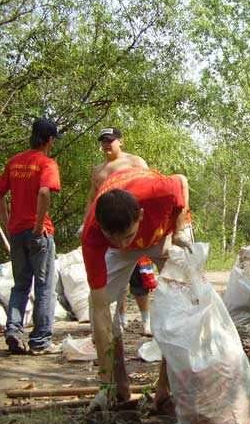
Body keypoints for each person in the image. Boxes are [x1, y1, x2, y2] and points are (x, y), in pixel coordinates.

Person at [81, 167, 192, 409]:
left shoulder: (160, 192)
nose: (122, 244)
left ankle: (166, 388)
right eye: (114, 238)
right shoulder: (93, 234)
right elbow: (101, 310)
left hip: (165, 233)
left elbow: (181, 180)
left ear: (140, 215)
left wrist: (180, 230)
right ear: (101, 228)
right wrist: (103, 385)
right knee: (98, 308)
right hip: (130, 233)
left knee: (184, 304)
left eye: (127, 236)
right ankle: (116, 388)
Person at [0, 118, 62, 355]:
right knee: (44, 287)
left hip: (16, 232)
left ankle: (13, 330)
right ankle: (41, 341)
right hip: (39, 233)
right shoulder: (47, 163)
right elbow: (44, 192)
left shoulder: (14, 162)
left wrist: (7, 221)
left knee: (21, 284)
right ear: (49, 139)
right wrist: (39, 223)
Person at [80, 127, 154, 335]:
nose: (106, 145)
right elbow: (92, 199)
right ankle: (118, 321)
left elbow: (148, 188)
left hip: (133, 228)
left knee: (140, 278)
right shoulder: (98, 171)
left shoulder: (135, 162)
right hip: (111, 232)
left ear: (120, 141)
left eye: (110, 141)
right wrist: (86, 222)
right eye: (103, 141)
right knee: (115, 279)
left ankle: (146, 320)